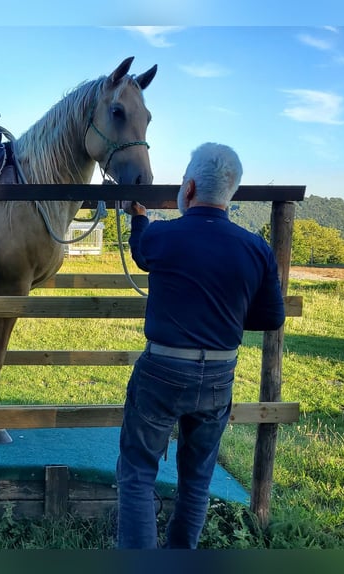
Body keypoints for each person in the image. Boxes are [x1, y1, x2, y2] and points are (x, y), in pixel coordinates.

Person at [115, 142, 286, 549]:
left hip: (162, 371)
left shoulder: (163, 236)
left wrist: (138, 217)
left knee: (138, 472)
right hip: (219, 375)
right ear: (232, 194)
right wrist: (224, 315)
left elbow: (140, 252)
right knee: (196, 481)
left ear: (188, 189)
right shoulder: (257, 249)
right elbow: (271, 318)